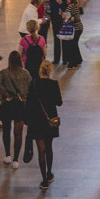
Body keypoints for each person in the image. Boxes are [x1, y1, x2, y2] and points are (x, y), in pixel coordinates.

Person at [25, 59, 63, 190]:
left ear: (40, 70)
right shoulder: (54, 84)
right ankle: (49, 173)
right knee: (49, 148)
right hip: (50, 120)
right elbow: (59, 102)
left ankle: (44, 180)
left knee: (41, 150)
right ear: (50, 70)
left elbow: (28, 104)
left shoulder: (33, 84)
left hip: (36, 120)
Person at [0, 50, 31, 169]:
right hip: (20, 106)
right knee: (18, 133)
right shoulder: (25, 73)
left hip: (7, 105)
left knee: (6, 130)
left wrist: (6, 95)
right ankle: (16, 160)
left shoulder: (4, 73)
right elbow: (31, 88)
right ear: (20, 60)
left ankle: (7, 155)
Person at [61, 0, 84, 68]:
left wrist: (67, 17)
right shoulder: (72, 6)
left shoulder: (72, 7)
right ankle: (78, 60)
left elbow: (76, 18)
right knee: (74, 45)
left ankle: (72, 63)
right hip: (76, 29)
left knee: (71, 46)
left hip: (76, 29)